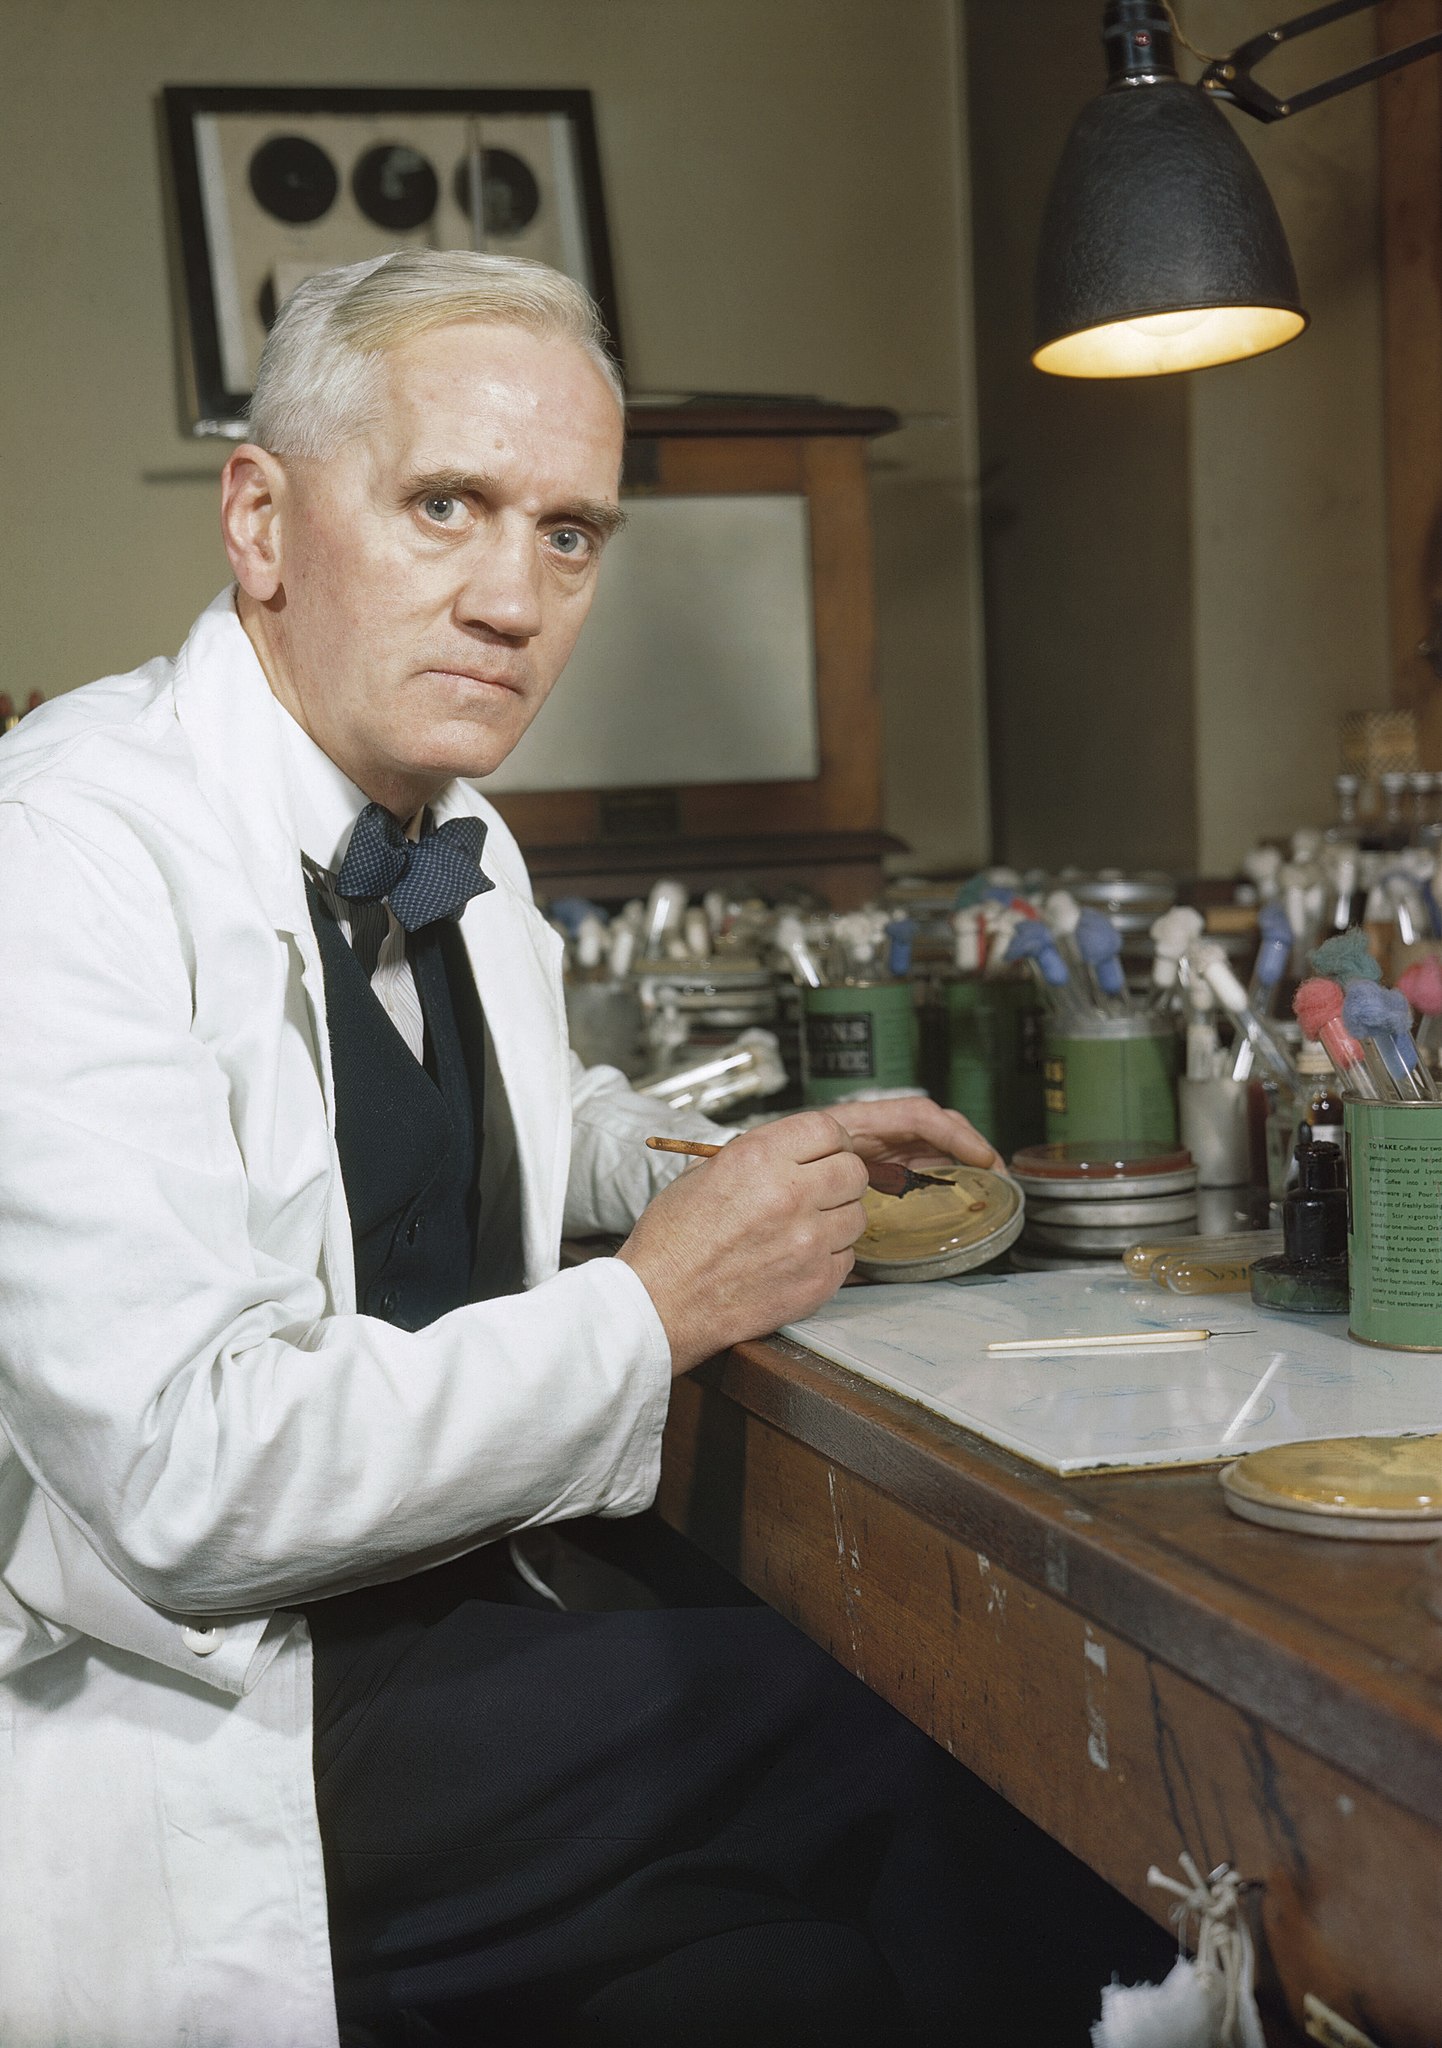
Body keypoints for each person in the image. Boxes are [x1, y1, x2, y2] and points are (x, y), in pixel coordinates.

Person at [0, 250, 1166, 2047]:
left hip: (446, 1611)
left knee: (808, 1973)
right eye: (444, 505)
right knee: (929, 1754)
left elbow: (449, 1111)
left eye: (567, 534)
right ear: (259, 519)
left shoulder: (449, 828)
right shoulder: (63, 854)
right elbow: (180, 1480)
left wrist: (692, 1167)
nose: (510, 595)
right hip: (244, 1703)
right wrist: (646, 1307)